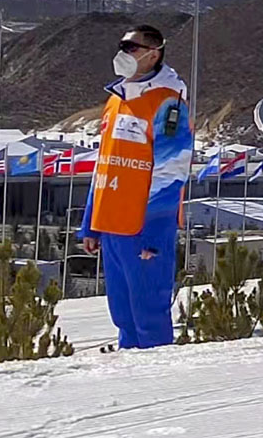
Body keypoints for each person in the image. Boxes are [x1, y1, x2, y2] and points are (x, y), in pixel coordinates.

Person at [79, 24, 193, 349]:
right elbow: (105, 164)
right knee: (124, 314)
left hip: (143, 226)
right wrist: (90, 223)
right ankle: (128, 367)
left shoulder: (167, 103)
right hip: (112, 224)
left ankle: (154, 374)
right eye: (122, 46)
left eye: (132, 48)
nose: (124, 53)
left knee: (148, 312)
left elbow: (172, 171)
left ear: (153, 54)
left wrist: (154, 231)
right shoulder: (116, 100)